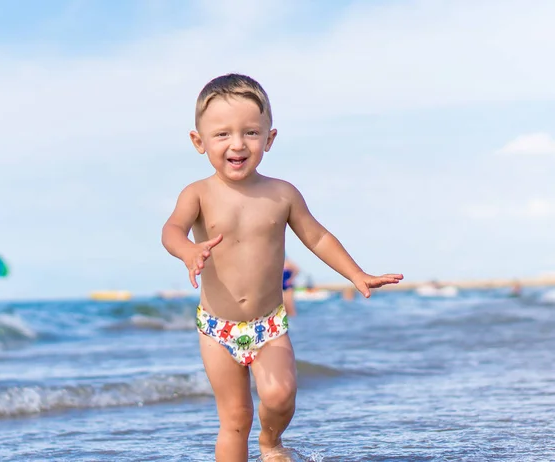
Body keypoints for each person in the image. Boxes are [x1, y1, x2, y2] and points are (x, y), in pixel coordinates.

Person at [161, 73, 403, 462]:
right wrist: (187, 251)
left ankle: (271, 441)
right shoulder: (198, 193)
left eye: (250, 133)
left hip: (268, 324)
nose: (237, 144)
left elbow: (318, 237)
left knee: (279, 394)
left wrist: (356, 274)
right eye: (222, 134)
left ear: (269, 139)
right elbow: (171, 230)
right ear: (198, 142)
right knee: (235, 418)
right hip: (217, 327)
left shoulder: (282, 194)